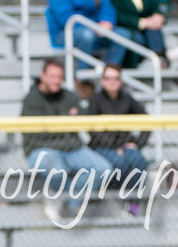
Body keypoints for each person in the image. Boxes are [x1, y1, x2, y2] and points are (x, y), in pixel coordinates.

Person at [21, 58, 112, 223]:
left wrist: (64, 125)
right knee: (57, 169)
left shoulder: (68, 95)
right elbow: (38, 137)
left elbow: (84, 118)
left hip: (71, 147)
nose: (56, 81)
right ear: (43, 76)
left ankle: (67, 200)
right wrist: (66, 120)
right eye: (52, 76)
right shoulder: (31, 100)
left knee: (103, 169)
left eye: (59, 77)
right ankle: (62, 195)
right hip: (41, 149)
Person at [88, 63, 149, 217]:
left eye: (115, 78)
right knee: (119, 162)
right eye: (108, 78)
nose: (112, 82)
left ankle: (132, 203)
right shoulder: (95, 100)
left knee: (138, 161)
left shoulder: (127, 99)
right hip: (101, 147)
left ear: (120, 81)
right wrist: (115, 147)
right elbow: (93, 131)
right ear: (101, 81)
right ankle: (117, 197)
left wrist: (138, 143)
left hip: (125, 145)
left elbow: (147, 121)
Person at [106, 0, 168, 68]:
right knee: (137, 37)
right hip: (130, 28)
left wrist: (157, 17)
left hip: (149, 29)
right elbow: (119, 15)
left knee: (153, 29)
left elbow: (154, 4)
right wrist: (142, 23)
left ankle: (159, 57)